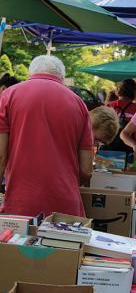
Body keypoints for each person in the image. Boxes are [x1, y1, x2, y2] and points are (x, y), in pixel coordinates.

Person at [0, 55, 94, 218]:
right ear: (62, 78)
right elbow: (86, 170)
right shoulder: (79, 104)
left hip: (21, 204)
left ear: (30, 74)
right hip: (65, 204)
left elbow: (0, 157)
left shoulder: (8, 96)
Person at [102, 78, 136, 155]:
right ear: (135, 92)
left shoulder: (110, 106)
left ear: (118, 90)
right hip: (129, 149)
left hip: (109, 148)